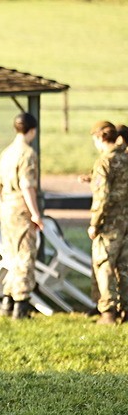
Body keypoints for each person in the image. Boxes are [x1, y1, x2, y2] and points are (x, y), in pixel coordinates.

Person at [0, 112, 43, 319]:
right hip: (21, 206)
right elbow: (27, 186)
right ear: (33, 130)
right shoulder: (28, 154)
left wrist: (5, 205)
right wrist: (35, 214)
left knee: (11, 255)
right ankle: (21, 304)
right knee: (25, 255)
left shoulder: (6, 153)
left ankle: (7, 302)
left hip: (7, 208)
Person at [88, 120, 128, 325]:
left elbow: (102, 196)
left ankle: (108, 313)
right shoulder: (125, 157)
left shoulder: (104, 161)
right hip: (126, 220)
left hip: (110, 222)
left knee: (104, 264)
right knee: (124, 266)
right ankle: (125, 310)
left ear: (100, 138)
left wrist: (95, 223)